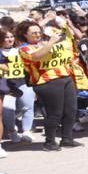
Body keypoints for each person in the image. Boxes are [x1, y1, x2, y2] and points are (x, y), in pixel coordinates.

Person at [17, 17, 82, 151]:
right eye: (33, 33)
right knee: (54, 114)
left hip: (65, 77)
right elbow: (36, 56)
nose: (38, 35)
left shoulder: (45, 43)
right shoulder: (24, 49)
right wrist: (51, 42)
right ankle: (50, 142)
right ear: (25, 35)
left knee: (70, 110)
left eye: (38, 32)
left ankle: (67, 138)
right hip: (47, 82)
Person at [1, 28, 35, 143]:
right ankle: (12, 131)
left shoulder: (20, 50)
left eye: (11, 37)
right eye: (6, 37)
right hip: (6, 84)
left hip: (22, 81)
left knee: (27, 106)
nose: (10, 39)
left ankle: (26, 131)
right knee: (8, 110)